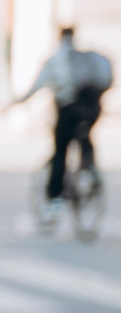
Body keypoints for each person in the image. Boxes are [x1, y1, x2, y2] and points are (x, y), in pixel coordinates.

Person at [18, 25, 111, 197]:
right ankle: (89, 168)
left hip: (67, 111)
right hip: (92, 110)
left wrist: (17, 101)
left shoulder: (56, 60)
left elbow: (35, 87)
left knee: (60, 151)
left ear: (60, 37)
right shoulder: (85, 60)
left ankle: (55, 198)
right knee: (84, 134)